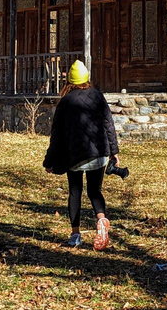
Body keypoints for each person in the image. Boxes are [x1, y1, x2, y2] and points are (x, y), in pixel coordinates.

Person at [43, 60, 120, 251]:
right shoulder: (97, 96)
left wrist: (49, 160)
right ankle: (101, 219)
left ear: (69, 81)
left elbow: (57, 135)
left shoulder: (66, 102)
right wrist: (114, 151)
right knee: (95, 191)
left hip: (75, 155)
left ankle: (75, 234)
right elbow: (108, 125)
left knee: (75, 191)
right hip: (100, 153)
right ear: (87, 78)